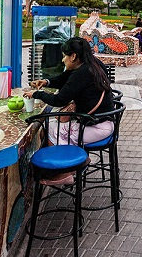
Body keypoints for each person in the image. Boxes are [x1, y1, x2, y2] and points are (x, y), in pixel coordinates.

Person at [25, 37, 114, 185]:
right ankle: (80, 160)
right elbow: (65, 78)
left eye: (65, 56)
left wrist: (36, 94)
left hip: (98, 127)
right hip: (104, 121)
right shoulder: (92, 64)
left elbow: (60, 100)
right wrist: (47, 82)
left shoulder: (82, 73)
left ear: (73, 56)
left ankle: (63, 173)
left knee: (52, 128)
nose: (62, 60)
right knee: (58, 125)